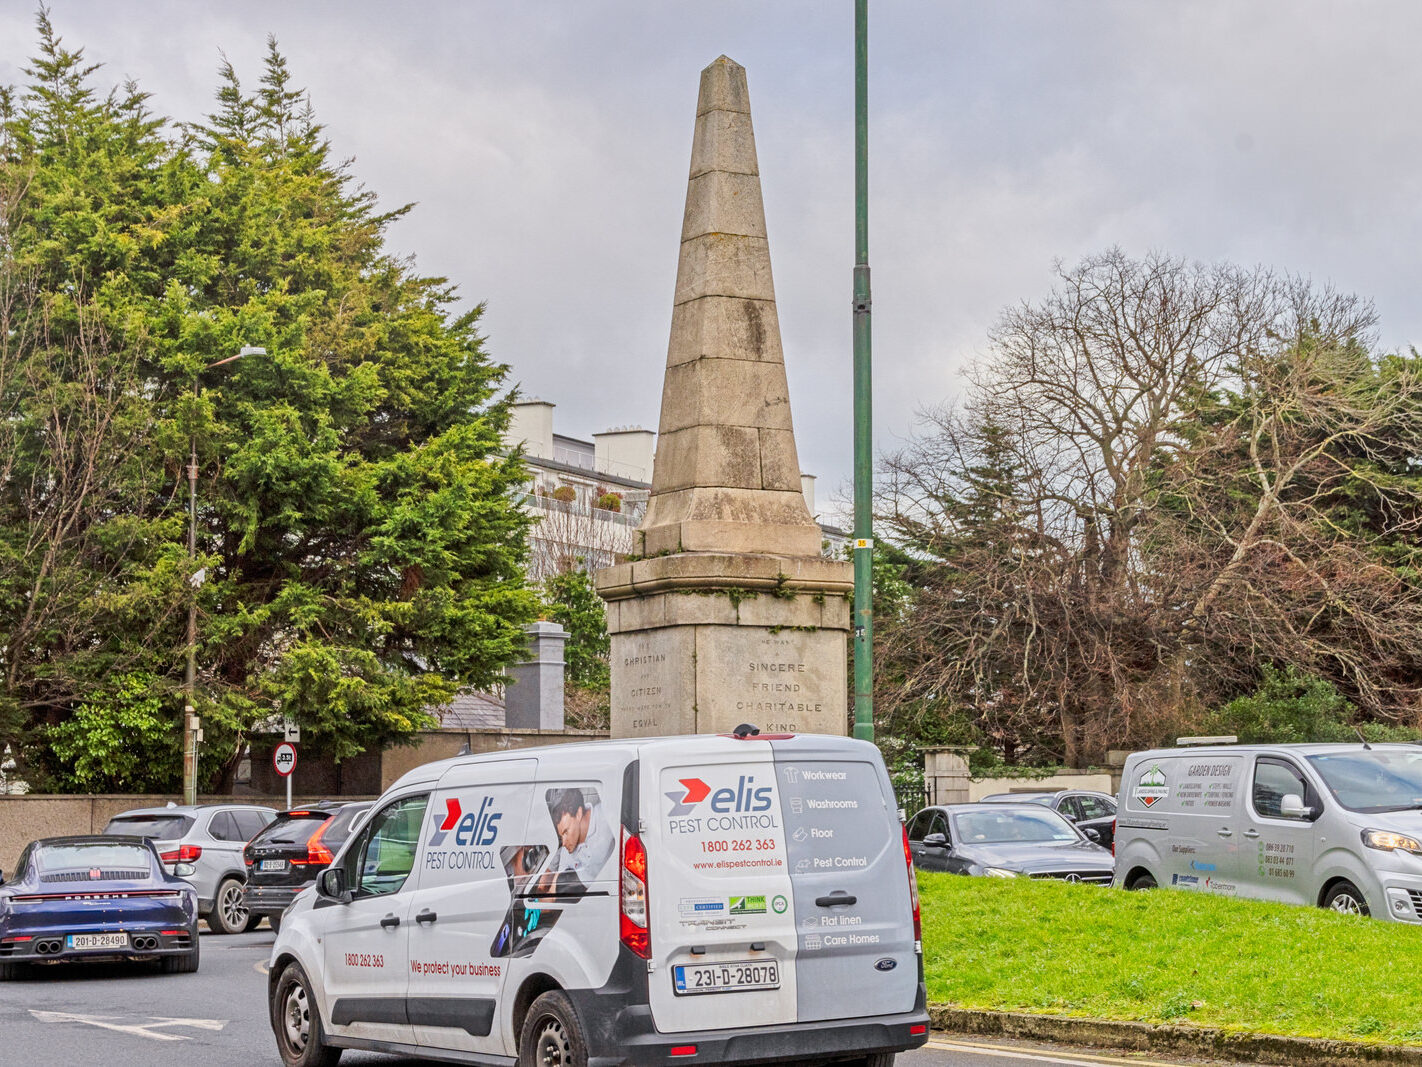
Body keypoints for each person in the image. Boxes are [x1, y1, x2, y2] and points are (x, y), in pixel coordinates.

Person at [537, 787, 615, 893]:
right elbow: (556, 884)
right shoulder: (567, 849)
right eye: (561, 836)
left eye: (566, 832)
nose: (564, 842)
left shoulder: (608, 817)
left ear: (578, 813)